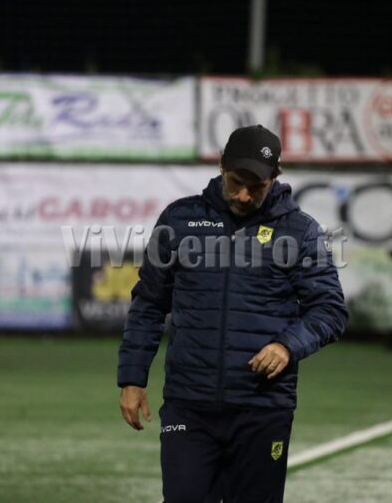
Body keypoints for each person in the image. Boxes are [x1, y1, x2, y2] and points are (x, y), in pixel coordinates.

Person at [117, 124, 349, 503]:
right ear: (221, 166)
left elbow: (330, 310)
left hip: (263, 408)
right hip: (189, 403)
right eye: (236, 181)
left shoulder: (301, 231)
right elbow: (149, 303)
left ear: (275, 178)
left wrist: (287, 347)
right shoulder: (179, 220)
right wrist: (131, 377)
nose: (243, 195)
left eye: (255, 187)